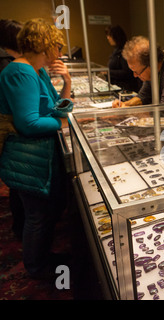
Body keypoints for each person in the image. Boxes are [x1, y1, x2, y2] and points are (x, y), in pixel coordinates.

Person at [0, 18, 70, 279]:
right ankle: (37, 267)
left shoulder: (35, 70)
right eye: (57, 45)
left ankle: (43, 258)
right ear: (45, 45)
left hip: (40, 157)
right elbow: (28, 123)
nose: (60, 52)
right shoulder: (21, 71)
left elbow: (57, 105)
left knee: (46, 213)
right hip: (27, 158)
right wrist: (62, 123)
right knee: (37, 217)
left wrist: (67, 82)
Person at [0, 19, 25, 239]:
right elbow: (26, 119)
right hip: (11, 130)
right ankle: (20, 228)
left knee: (17, 185)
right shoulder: (10, 65)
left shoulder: (10, 63)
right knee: (18, 184)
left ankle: (20, 227)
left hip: (10, 129)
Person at [105, 25, 141, 92]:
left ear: (116, 36)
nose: (108, 38)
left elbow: (127, 72)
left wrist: (107, 72)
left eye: (109, 35)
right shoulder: (116, 50)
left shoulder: (125, 50)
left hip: (125, 88)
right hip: (117, 86)